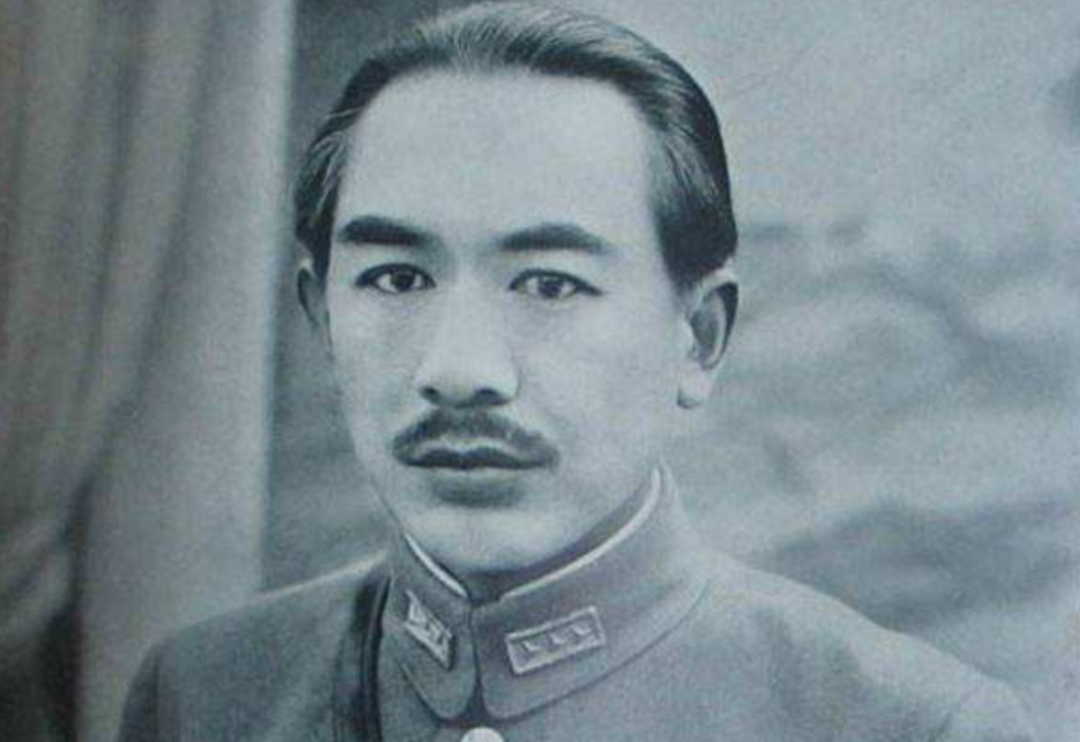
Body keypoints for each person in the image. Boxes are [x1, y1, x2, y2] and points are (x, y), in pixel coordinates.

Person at [117, 4, 1036, 741]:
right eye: (397, 278)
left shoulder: (910, 725)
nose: (461, 371)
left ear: (698, 337)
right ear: (321, 315)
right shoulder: (203, 696)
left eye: (551, 284)